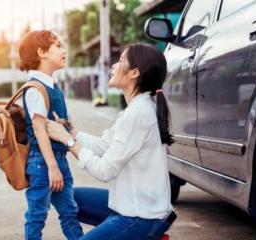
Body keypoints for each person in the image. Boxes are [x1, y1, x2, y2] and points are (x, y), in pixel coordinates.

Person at [46, 43, 175, 239]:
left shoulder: (138, 115)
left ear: (134, 73)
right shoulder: (135, 110)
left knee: (65, 195)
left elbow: (105, 170)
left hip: (142, 217)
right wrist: (71, 133)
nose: (114, 66)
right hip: (129, 205)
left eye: (121, 61)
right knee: (65, 196)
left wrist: (67, 141)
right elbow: (105, 146)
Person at [18, 30, 83, 240]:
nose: (64, 51)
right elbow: (39, 129)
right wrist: (53, 168)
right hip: (43, 164)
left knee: (70, 213)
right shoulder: (36, 88)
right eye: (58, 46)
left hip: (58, 161)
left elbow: (53, 125)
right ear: (42, 52)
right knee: (37, 216)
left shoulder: (52, 86)